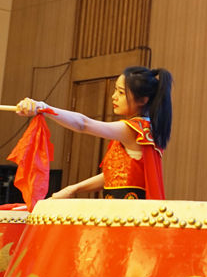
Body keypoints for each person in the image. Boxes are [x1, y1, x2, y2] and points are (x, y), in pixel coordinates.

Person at [16, 66, 172, 199]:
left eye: (121, 93)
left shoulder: (132, 129)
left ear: (143, 100)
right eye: (115, 90)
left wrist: (44, 108)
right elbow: (114, 175)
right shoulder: (143, 129)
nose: (114, 97)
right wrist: (72, 189)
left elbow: (83, 124)